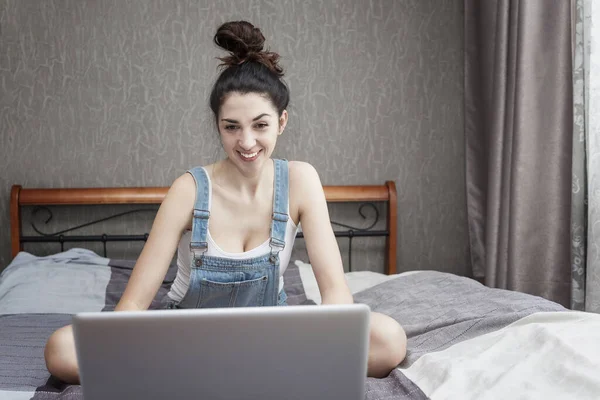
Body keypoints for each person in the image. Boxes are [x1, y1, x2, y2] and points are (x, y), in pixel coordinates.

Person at [44, 20, 407, 384]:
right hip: (186, 341)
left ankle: (206, 375)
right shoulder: (188, 189)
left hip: (270, 339)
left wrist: (330, 340)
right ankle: (242, 373)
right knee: (61, 349)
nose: (246, 142)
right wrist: (116, 344)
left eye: (260, 125)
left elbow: (336, 296)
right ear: (217, 125)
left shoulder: (301, 180)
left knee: (389, 339)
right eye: (231, 126)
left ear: (282, 122)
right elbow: (134, 305)